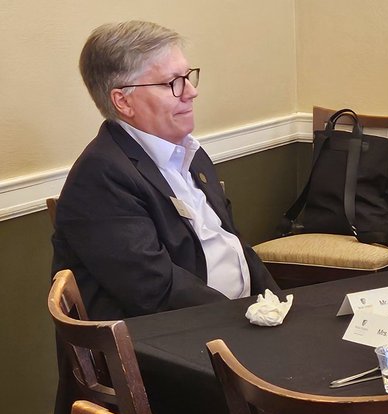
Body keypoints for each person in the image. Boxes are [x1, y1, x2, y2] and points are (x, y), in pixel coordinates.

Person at [52, 20, 278, 319]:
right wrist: (245, 318)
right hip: (175, 342)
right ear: (123, 101)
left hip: (238, 320)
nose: (191, 92)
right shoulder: (100, 177)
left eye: (188, 76)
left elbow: (232, 242)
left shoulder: (190, 153)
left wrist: (279, 303)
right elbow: (155, 290)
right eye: (172, 82)